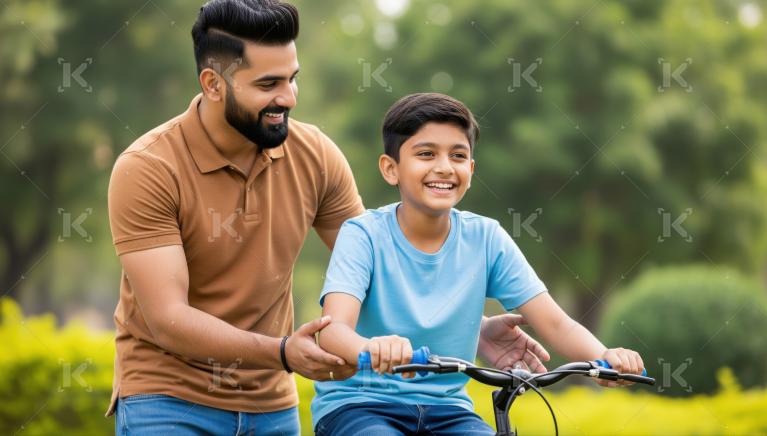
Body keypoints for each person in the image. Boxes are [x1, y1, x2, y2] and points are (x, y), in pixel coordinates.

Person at [106, 1, 550, 434]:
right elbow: (168, 318)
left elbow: (379, 268)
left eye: (293, 79)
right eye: (268, 84)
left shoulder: (314, 155)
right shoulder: (148, 168)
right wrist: (283, 352)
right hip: (167, 401)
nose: (288, 97)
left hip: (270, 404)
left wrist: (470, 329)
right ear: (213, 83)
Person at [313, 93, 645, 435]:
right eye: (426, 154)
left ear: (470, 170)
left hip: (448, 411)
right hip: (360, 406)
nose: (444, 166)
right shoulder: (363, 234)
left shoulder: (485, 238)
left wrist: (606, 356)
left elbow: (556, 324)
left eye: (458, 155)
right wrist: (371, 348)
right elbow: (332, 332)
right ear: (391, 168)